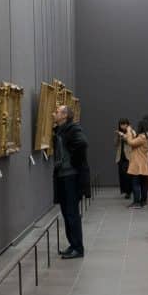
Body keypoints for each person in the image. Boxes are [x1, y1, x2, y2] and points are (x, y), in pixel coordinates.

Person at [53, 104, 90, 259]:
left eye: (58, 111)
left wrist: (73, 162)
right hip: (62, 176)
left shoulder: (73, 128)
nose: (54, 113)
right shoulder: (60, 130)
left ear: (65, 116)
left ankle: (78, 248)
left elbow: (82, 144)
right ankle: (72, 245)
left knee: (72, 213)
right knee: (65, 212)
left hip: (71, 177)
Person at [119, 119, 148, 208]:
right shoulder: (147, 136)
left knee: (136, 183)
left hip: (138, 163)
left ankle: (137, 202)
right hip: (143, 162)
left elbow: (131, 142)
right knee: (143, 183)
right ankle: (143, 201)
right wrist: (125, 135)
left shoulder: (142, 137)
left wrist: (129, 131)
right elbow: (133, 140)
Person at [114, 118, 135, 197]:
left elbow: (131, 141)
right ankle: (125, 191)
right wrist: (117, 136)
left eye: (125, 124)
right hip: (120, 156)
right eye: (121, 124)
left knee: (128, 175)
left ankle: (129, 192)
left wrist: (122, 135)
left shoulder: (131, 131)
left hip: (129, 156)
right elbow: (115, 144)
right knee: (122, 174)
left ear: (128, 124)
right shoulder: (119, 133)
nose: (123, 126)